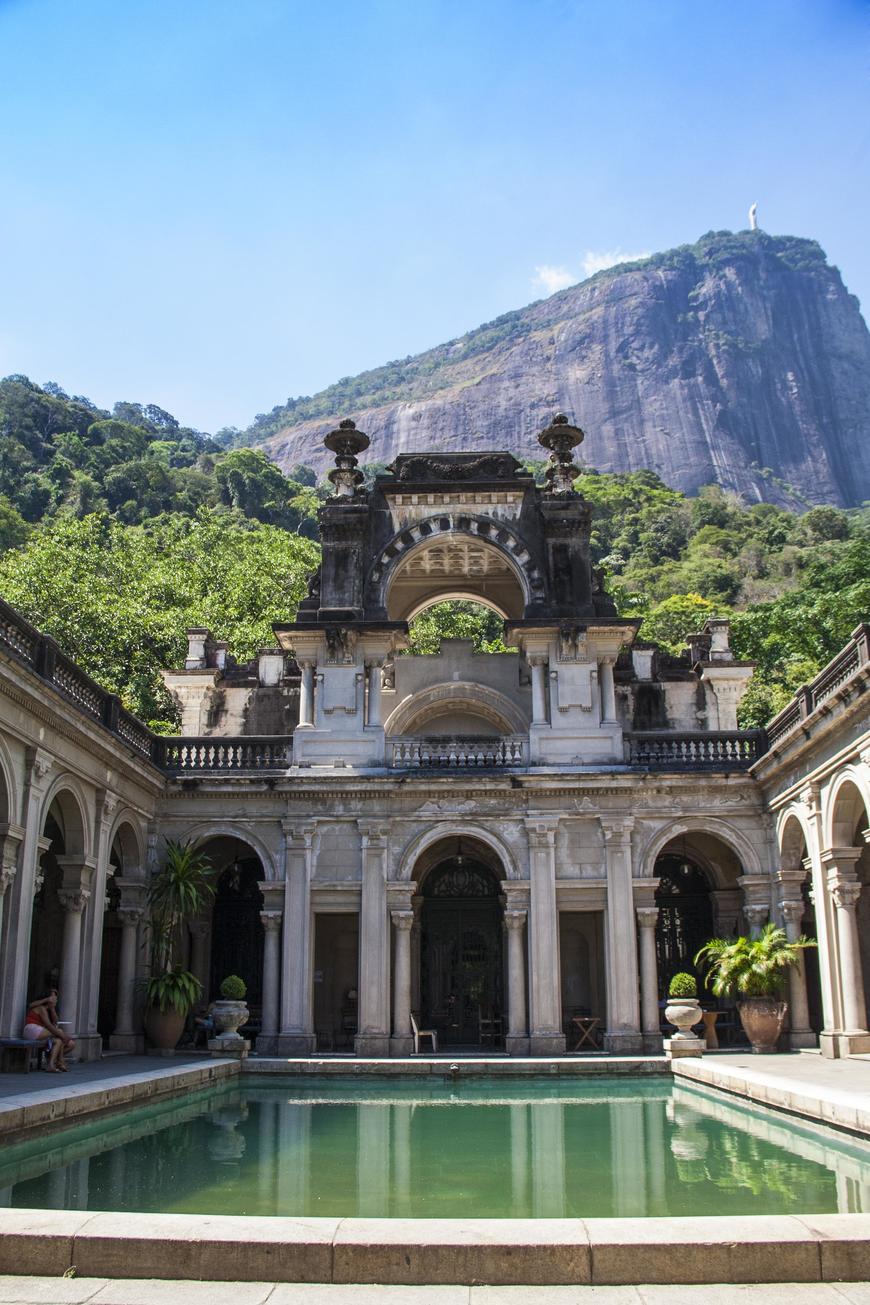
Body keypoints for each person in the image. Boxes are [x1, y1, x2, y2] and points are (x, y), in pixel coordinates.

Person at [22, 989, 75, 1072]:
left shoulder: (49, 1009)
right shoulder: (41, 1008)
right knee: (60, 1033)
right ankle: (60, 1061)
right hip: (32, 1030)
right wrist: (64, 1036)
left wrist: (52, 1009)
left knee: (59, 1041)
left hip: (41, 1032)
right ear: (47, 998)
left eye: (55, 997)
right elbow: (49, 1026)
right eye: (52, 997)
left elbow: (55, 1022)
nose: (55, 999)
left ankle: (51, 1064)